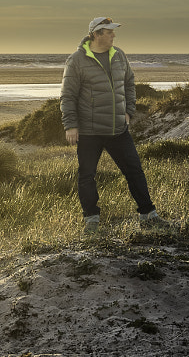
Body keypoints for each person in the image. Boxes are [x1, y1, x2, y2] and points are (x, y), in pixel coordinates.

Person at [61, 16, 170, 234]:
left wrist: (129, 111)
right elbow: (67, 95)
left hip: (118, 130)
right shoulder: (76, 60)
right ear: (96, 34)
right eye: (109, 32)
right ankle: (91, 221)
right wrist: (71, 125)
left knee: (135, 171)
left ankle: (148, 216)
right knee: (87, 175)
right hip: (90, 131)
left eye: (113, 32)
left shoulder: (119, 55)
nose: (113, 35)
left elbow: (129, 83)